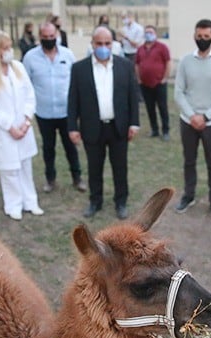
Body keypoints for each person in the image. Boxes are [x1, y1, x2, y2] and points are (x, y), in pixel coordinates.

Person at [67, 26, 139, 220]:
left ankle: (121, 201)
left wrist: (134, 123)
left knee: (120, 167)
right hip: (92, 127)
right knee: (94, 168)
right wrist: (72, 127)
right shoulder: (79, 68)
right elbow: (72, 99)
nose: (103, 47)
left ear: (113, 44)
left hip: (118, 127)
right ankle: (95, 201)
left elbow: (133, 96)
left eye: (107, 43)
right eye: (99, 43)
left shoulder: (124, 66)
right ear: (92, 44)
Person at [0, 31, 43, 221]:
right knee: (9, 171)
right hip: (3, 131)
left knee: (25, 167)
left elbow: (30, 96)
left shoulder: (18, 68)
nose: (9, 51)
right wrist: (10, 126)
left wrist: (26, 120)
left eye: (9, 46)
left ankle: (31, 202)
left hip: (23, 128)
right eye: (5, 48)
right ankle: (13, 204)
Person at [173, 19, 211, 219]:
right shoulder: (185, 61)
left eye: (206, 37)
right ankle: (188, 195)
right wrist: (192, 115)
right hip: (188, 121)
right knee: (189, 160)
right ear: (194, 36)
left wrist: (206, 116)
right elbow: (179, 92)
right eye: (199, 36)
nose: (203, 40)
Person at [24, 22, 85, 194]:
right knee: (48, 148)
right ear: (40, 37)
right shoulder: (30, 58)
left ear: (57, 35)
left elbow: (76, 81)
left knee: (71, 147)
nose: (49, 40)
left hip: (66, 112)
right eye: (46, 37)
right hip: (44, 112)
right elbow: (26, 85)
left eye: (52, 37)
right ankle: (50, 179)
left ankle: (77, 178)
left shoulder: (67, 54)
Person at [135, 25, 171, 141]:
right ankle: (154, 129)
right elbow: (137, 64)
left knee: (162, 107)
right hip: (145, 84)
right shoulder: (140, 49)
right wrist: (138, 78)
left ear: (155, 34)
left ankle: (165, 131)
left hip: (159, 83)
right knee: (150, 108)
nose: (148, 34)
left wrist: (165, 78)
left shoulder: (162, 47)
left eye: (150, 32)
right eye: (146, 32)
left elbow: (168, 62)